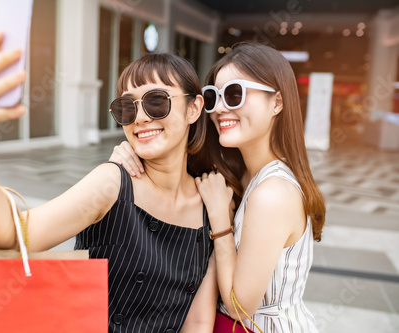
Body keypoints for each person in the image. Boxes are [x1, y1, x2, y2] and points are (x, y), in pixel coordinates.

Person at [0, 32, 217, 332]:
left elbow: (198, 321)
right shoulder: (112, 183)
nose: (139, 118)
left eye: (156, 101)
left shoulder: (211, 201)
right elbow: (9, 236)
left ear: (193, 108)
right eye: (127, 108)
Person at [110, 41, 325, 332]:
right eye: (214, 97)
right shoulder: (240, 173)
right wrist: (130, 153)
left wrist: (221, 220)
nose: (220, 108)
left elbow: (239, 306)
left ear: (276, 102)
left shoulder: (272, 194)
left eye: (235, 94)